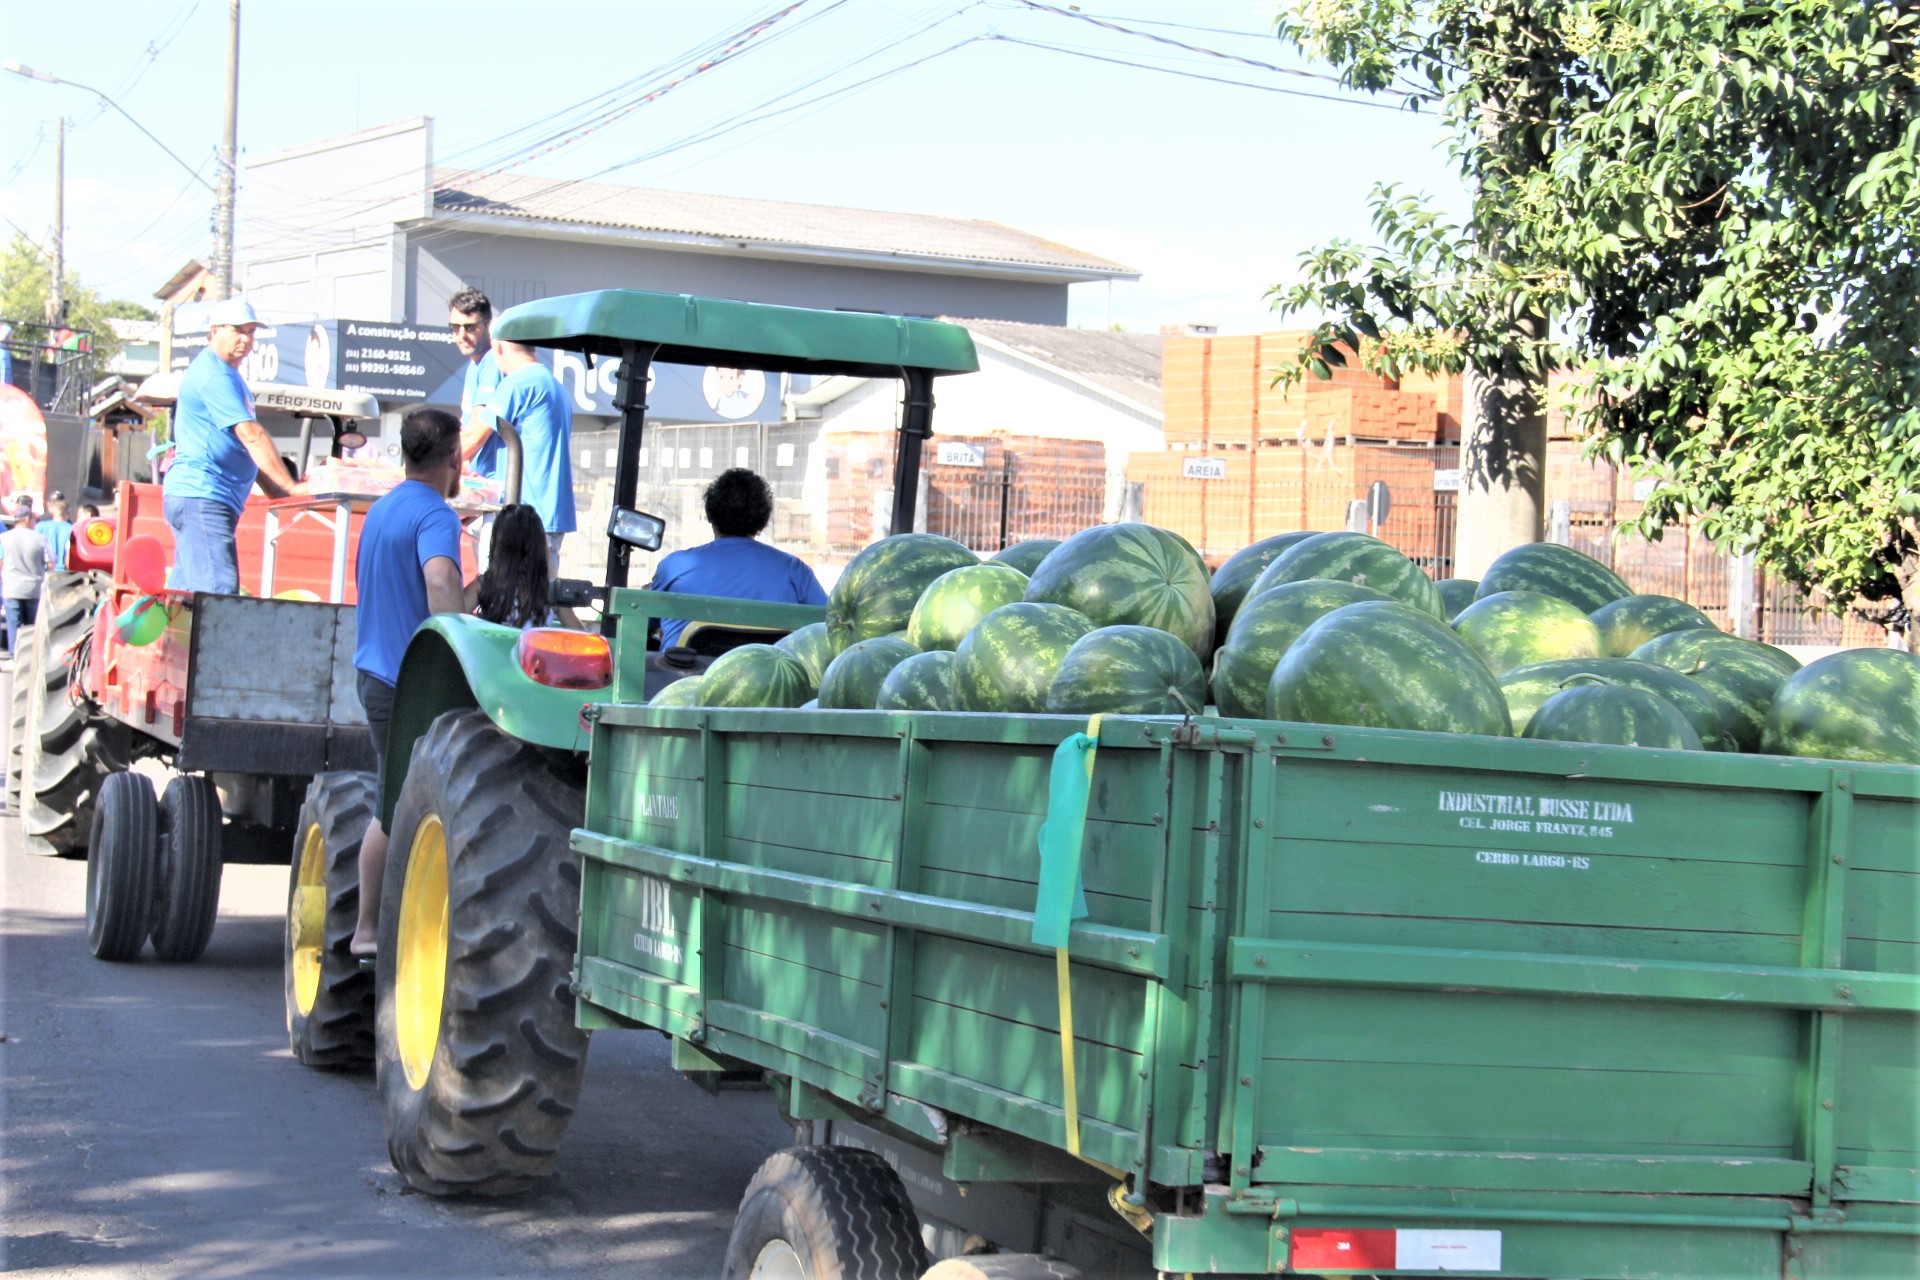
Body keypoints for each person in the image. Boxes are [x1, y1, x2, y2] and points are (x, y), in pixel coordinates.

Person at [346, 408, 467, 960]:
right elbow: (439, 580)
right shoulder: (435, 514)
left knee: (390, 797)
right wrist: (457, 638)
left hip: (373, 673)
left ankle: (373, 926)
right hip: (409, 682)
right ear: (452, 458)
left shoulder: (381, 510)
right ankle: (371, 928)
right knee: (395, 805)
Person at [161, 298, 303, 592]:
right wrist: (290, 487)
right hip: (203, 496)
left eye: (251, 332)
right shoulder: (213, 374)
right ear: (213, 331)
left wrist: (277, 489)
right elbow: (251, 435)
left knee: (187, 602)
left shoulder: (227, 375)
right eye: (238, 330)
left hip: (202, 497)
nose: (246, 339)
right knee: (217, 600)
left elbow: (241, 445)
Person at [648, 468, 826, 649]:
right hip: (768, 677)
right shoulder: (795, 572)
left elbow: (646, 622)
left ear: (709, 514)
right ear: (763, 521)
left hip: (682, 675)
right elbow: (831, 625)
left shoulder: (674, 567)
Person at [489, 337, 575, 569]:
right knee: (542, 597)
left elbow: (474, 437)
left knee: (503, 597)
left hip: (520, 520)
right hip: (548, 518)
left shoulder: (518, 384)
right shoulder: (554, 385)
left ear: (497, 346)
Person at [463, 503, 551, 628]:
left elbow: (455, 618)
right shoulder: (550, 590)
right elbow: (582, 634)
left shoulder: (485, 583)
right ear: (539, 547)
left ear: (497, 545)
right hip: (533, 647)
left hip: (492, 647)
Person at [450, 288, 503, 481]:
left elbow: (475, 435)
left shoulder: (492, 362)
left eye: (470, 327)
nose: (461, 335)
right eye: (455, 327)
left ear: (488, 326)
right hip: (479, 476)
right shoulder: (475, 365)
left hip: (495, 482)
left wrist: (428, 465)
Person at [1, 500, 47, 662]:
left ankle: (15, 657)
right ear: (28, 519)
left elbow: (0, 562)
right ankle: (30, 658)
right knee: (31, 626)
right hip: (33, 588)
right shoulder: (40, 539)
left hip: (11, 588)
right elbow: (50, 563)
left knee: (14, 624)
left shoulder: (4, 538)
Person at [37, 493, 71, 572]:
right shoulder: (72, 529)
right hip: (64, 572)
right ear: (68, 512)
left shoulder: (40, 527)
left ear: (53, 511)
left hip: (44, 570)